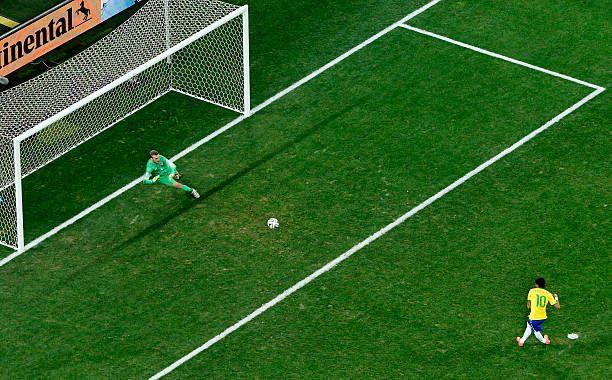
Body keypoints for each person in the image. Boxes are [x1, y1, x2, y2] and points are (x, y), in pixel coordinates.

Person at [516, 277, 560, 347]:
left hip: (534, 317)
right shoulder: (548, 294)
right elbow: (557, 306)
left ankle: (545, 341)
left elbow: (528, 306)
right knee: (529, 326)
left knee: (535, 330)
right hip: (543, 317)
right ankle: (521, 341)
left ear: (536, 284)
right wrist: (556, 297)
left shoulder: (532, 291)